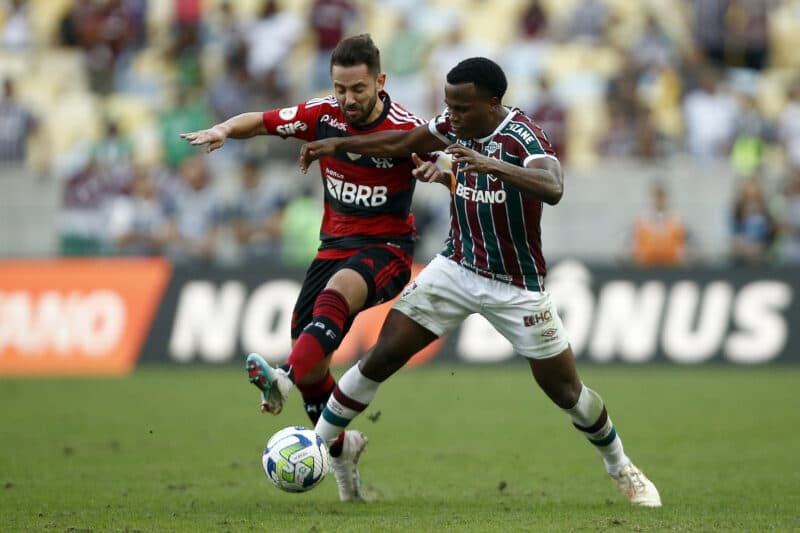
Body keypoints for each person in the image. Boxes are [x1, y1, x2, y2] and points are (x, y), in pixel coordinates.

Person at [293, 57, 662, 507]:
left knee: (567, 393)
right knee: (381, 356)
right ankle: (314, 448)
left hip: (517, 285)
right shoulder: (455, 126)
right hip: (455, 267)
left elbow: (553, 186)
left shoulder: (523, 136)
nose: (453, 117)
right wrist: (338, 144)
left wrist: (492, 166)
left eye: (463, 108)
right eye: (449, 106)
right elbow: (405, 141)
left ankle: (620, 466)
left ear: (492, 103)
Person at [180, 34, 427, 502]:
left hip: (387, 249)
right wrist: (224, 131)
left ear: (380, 81)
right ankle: (343, 454)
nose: (348, 99)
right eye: (340, 88)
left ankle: (282, 379)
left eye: (358, 88)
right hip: (332, 246)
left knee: (336, 295)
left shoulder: (407, 126)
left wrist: (444, 171)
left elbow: (449, 161)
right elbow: (263, 121)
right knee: (312, 357)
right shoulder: (322, 114)